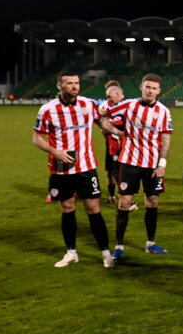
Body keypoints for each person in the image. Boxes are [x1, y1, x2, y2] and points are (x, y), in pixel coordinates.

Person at [32, 70, 124, 268]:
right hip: (60, 168)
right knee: (67, 208)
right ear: (60, 86)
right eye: (69, 83)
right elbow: (37, 138)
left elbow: (102, 122)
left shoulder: (88, 104)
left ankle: (105, 253)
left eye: (76, 83)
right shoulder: (48, 110)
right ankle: (71, 252)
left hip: (86, 166)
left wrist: (118, 132)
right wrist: (54, 151)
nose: (74, 86)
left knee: (93, 208)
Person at [107, 74, 173, 259]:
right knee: (125, 202)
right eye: (147, 87)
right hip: (129, 162)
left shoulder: (164, 111)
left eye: (154, 88)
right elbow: (102, 114)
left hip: (152, 165)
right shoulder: (129, 105)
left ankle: (150, 243)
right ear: (141, 87)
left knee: (152, 201)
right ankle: (119, 246)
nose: (150, 91)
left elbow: (166, 139)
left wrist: (162, 164)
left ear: (159, 91)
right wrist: (114, 131)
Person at [99, 80, 127, 207]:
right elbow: (102, 125)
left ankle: (126, 195)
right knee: (111, 171)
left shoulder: (128, 105)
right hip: (111, 145)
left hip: (126, 144)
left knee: (122, 171)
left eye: (110, 94)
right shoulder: (105, 106)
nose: (108, 97)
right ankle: (112, 195)